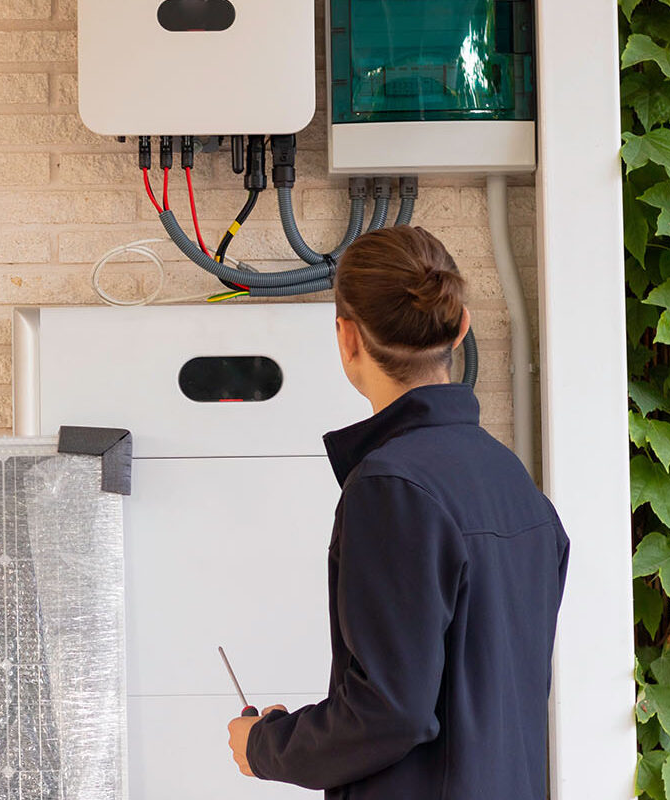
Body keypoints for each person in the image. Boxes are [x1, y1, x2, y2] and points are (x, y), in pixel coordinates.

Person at [226, 226, 569, 800]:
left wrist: (264, 746)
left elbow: (390, 711)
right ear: (460, 329)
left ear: (347, 337)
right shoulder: (512, 480)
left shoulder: (391, 488)